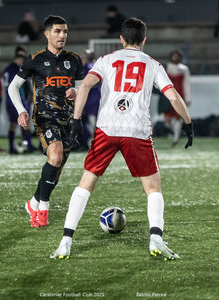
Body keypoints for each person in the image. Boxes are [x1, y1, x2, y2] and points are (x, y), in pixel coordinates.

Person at [50, 18, 193, 260]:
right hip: (137, 130)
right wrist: (188, 124)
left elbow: (84, 86)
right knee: (153, 189)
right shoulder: (153, 64)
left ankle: (65, 241)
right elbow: (174, 97)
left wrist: (76, 121)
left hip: (107, 129)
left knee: (86, 184)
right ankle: (156, 239)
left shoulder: (106, 60)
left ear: (121, 39)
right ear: (144, 40)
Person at [8, 15, 84, 227]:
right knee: (56, 154)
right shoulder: (35, 59)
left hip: (68, 120)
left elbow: (82, 87)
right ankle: (43, 209)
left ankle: (33, 202)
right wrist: (21, 111)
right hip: (44, 117)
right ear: (47, 34)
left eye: (65, 31)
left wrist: (75, 90)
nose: (62, 35)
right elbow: (13, 87)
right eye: (58, 31)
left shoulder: (74, 60)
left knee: (56, 168)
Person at [2, 47, 33, 154]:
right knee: (25, 123)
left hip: (9, 100)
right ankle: (27, 145)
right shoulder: (16, 69)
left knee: (13, 124)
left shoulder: (7, 69)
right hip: (18, 100)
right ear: (19, 59)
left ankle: (12, 147)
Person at [165, 49, 191, 148]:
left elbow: (187, 84)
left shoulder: (184, 69)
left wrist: (188, 98)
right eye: (174, 55)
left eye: (177, 56)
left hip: (179, 95)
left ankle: (175, 139)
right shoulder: (165, 67)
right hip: (167, 95)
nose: (175, 58)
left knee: (177, 118)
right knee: (167, 121)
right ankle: (177, 133)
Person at [78, 49, 100, 150]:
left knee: (89, 120)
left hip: (90, 96)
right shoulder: (94, 66)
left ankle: (89, 143)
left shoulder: (87, 67)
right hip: (94, 95)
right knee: (91, 121)